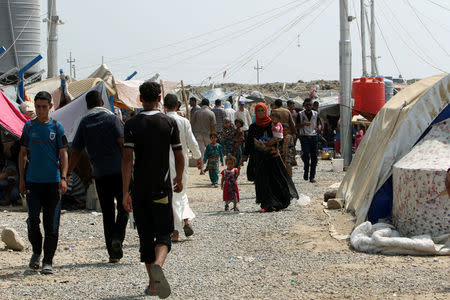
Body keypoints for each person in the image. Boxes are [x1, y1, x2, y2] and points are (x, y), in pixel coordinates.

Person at [122, 81, 184, 298]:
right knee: (164, 234)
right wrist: (179, 178)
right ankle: (159, 263)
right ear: (159, 99)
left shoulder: (131, 124)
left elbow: (127, 160)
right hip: (161, 188)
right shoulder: (168, 123)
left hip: (139, 191)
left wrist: (124, 192)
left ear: (140, 99)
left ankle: (153, 285)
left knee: (145, 236)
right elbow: (178, 155)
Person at [68, 90, 128, 263]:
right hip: (119, 172)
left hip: (100, 174)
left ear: (87, 106)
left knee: (108, 212)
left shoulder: (85, 123)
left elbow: (76, 151)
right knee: (124, 206)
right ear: (102, 102)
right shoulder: (112, 119)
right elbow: (122, 144)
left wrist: (68, 173)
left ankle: (113, 254)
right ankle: (118, 237)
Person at [18, 91, 68, 275]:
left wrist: (63, 177)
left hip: (53, 184)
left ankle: (48, 260)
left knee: (51, 224)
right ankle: (36, 252)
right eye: (37, 106)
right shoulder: (28, 127)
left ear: (50, 107)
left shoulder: (57, 127)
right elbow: (22, 153)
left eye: (43, 107)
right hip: (32, 182)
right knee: (32, 221)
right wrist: (22, 179)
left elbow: (63, 153)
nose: (40, 110)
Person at [241, 103, 298, 212]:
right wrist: (245, 156)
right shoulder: (253, 127)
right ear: (255, 112)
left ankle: (278, 202)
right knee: (262, 180)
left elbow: (280, 137)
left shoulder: (273, 124)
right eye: (258, 111)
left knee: (275, 179)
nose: (261, 113)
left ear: (266, 111)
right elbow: (249, 143)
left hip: (272, 156)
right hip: (258, 157)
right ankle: (267, 204)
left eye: (263, 110)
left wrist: (277, 149)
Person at [163, 94, 202, 242]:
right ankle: (185, 220)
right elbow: (192, 142)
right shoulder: (184, 121)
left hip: (166, 163)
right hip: (182, 162)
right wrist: (198, 157)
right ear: (178, 105)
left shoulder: (163, 120)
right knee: (182, 191)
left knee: (172, 194)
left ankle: (175, 230)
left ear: (165, 106)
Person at [298, 98, 321, 183]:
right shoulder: (300, 114)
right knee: (306, 156)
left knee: (314, 157)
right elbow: (296, 126)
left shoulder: (315, 114)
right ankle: (306, 171)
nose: (308, 107)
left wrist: (319, 128)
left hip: (314, 136)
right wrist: (303, 125)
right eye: (307, 105)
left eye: (310, 105)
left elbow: (319, 123)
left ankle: (312, 176)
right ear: (304, 106)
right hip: (304, 137)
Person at [271, 99, 297, 177]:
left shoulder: (273, 111)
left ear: (275, 104)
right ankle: (288, 176)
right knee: (288, 154)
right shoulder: (287, 111)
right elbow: (292, 123)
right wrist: (294, 133)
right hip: (286, 134)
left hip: (276, 135)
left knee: (278, 156)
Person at [191, 98, 216, 174]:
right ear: (208, 104)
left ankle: (202, 169)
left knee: (201, 152)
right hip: (208, 135)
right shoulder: (211, 113)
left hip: (198, 134)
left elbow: (191, 123)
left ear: (201, 104)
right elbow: (213, 125)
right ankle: (211, 167)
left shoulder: (196, 112)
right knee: (209, 151)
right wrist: (213, 136)